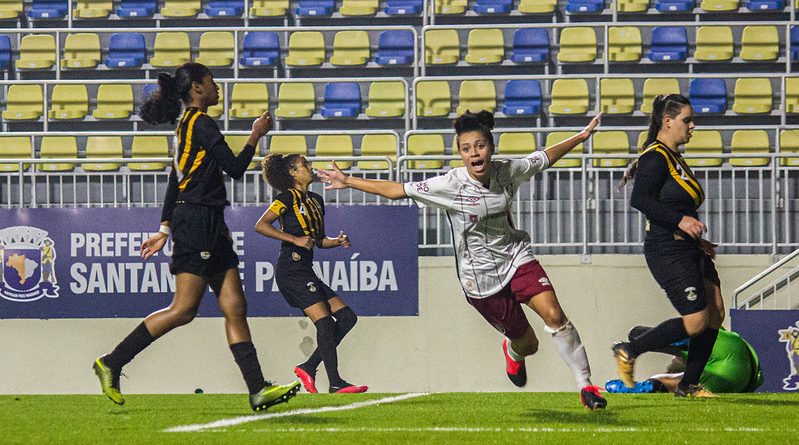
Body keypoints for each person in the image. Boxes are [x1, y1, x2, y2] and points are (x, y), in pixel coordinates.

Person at [317, 110, 607, 410]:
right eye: (466, 148)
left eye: (479, 146)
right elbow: (397, 191)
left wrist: (581, 137)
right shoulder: (450, 185)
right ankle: (514, 352)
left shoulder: (508, 171)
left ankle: (586, 386)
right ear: (460, 154)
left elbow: (544, 157)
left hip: (517, 257)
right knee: (528, 345)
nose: (474, 153)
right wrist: (347, 180)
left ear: (490, 148)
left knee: (555, 316)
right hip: (479, 280)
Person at [92, 62, 300, 411]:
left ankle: (257, 389)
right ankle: (112, 362)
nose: (218, 88)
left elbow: (176, 180)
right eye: (213, 82)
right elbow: (234, 168)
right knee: (184, 309)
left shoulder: (186, 127)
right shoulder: (200, 123)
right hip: (197, 222)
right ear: (198, 88)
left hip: (209, 222)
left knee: (235, 305)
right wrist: (256, 134)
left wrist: (163, 229)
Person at [612, 94, 725, 398]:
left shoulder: (674, 157)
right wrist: (680, 222)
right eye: (687, 120)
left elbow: (674, 202)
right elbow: (640, 199)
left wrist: (696, 236)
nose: (693, 126)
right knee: (697, 320)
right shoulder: (655, 156)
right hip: (667, 249)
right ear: (668, 121)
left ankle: (688, 384)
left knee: (715, 313)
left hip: (689, 246)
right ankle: (629, 349)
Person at [255, 153, 367, 394]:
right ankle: (335, 382)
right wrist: (293, 238)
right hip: (291, 270)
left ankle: (308, 366)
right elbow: (261, 225)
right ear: (293, 172)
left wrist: (336, 242)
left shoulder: (316, 200)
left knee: (347, 318)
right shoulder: (286, 197)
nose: (310, 167)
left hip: (305, 270)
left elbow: (317, 241)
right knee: (325, 322)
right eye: (305, 164)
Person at [606, 326, 763, 394]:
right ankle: (637, 344)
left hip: (732, 378)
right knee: (637, 333)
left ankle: (635, 348)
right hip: (740, 369)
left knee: (669, 381)